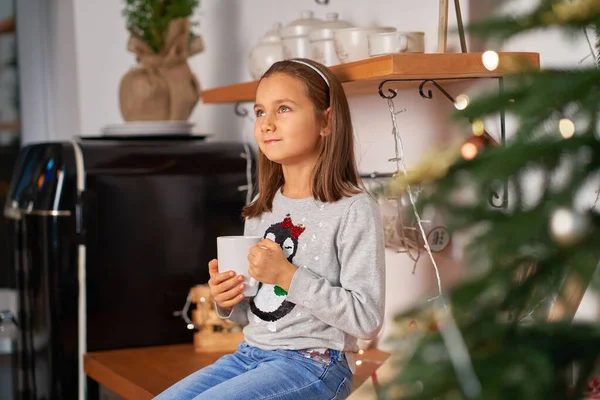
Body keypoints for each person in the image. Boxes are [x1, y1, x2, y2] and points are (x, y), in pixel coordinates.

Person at [155, 58, 385, 400]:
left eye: (284, 109)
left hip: (316, 364)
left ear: (327, 121)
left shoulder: (353, 208)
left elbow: (366, 319)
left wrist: (287, 276)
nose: (267, 124)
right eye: (260, 112)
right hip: (251, 355)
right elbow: (254, 314)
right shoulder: (264, 205)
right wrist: (227, 300)